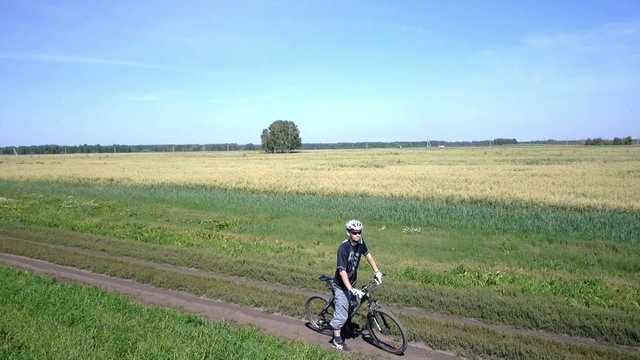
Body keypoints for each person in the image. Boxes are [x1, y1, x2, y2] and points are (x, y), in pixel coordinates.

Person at [329, 219, 383, 351]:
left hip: (352, 281)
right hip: (342, 285)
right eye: (354, 232)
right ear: (348, 233)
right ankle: (336, 340)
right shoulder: (343, 248)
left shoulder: (361, 242)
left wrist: (377, 272)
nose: (358, 235)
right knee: (341, 316)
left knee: (353, 304)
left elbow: (368, 256)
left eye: (360, 232)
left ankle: (346, 321)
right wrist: (350, 289)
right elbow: (342, 272)